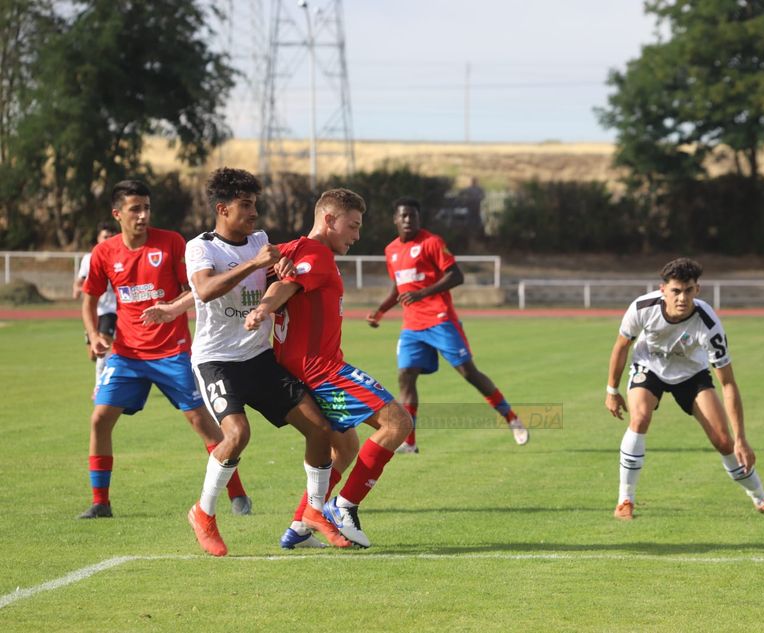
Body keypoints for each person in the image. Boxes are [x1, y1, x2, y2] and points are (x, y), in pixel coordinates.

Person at [146, 167, 335, 556]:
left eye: (255, 204)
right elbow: (206, 289)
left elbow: (262, 283)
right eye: (245, 205)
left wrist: (278, 270)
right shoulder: (201, 247)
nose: (254, 213)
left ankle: (315, 513)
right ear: (222, 209)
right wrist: (253, 265)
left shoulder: (260, 240)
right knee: (237, 435)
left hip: (257, 356)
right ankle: (204, 512)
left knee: (320, 429)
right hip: (217, 361)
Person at [246, 188, 413, 548]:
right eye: (352, 226)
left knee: (346, 447)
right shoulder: (315, 254)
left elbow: (282, 282)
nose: (356, 235)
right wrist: (264, 308)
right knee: (397, 423)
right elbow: (286, 286)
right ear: (329, 220)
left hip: (298, 368)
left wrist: (264, 306)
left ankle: (299, 528)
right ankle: (344, 506)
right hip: (320, 370)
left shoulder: (290, 250)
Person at [78, 179, 250, 519]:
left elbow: (196, 290)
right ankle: (101, 502)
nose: (143, 215)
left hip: (173, 352)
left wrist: (172, 309)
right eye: (135, 209)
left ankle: (237, 495)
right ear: (117, 214)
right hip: (127, 355)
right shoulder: (104, 252)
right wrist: (94, 334)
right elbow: (90, 300)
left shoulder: (171, 243)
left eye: (146, 208)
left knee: (201, 422)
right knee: (99, 420)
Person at [604, 257, 764, 520]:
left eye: (688, 290)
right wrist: (612, 390)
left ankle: (762, 499)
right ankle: (624, 501)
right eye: (675, 291)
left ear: (698, 289)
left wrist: (740, 437)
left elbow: (728, 382)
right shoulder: (642, 307)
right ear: (663, 290)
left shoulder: (709, 324)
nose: (682, 298)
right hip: (650, 366)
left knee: (723, 440)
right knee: (639, 418)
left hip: (691, 373)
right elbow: (621, 346)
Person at [366, 196, 528, 453]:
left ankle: (512, 419)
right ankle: (410, 443)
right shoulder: (391, 250)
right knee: (405, 377)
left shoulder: (432, 243)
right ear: (395, 219)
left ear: (419, 219)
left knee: (469, 373)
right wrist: (381, 311)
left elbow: (456, 275)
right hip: (412, 325)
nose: (408, 220)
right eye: (403, 216)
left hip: (440, 319)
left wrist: (421, 294)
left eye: (413, 216)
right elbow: (399, 286)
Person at [74, 222, 118, 389]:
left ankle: (99, 387)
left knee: (103, 348)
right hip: (94, 310)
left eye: (111, 236)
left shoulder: (120, 256)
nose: (108, 239)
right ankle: (110, 370)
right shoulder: (89, 259)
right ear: (98, 239)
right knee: (93, 354)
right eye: (105, 236)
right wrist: (78, 289)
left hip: (111, 310)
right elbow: (79, 282)